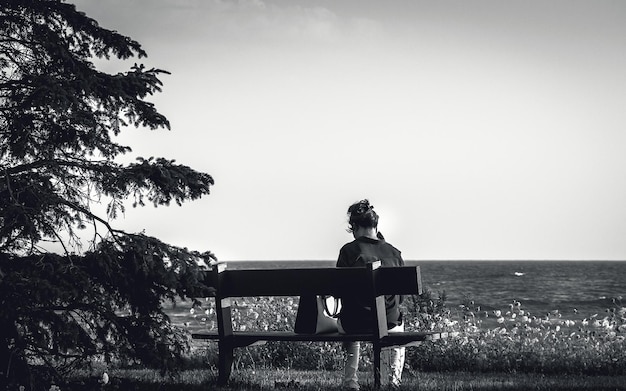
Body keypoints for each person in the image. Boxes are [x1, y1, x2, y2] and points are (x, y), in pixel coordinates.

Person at [336, 199, 406, 390]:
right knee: (396, 324)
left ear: (355, 226)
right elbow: (400, 297)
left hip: (354, 323)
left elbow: (338, 290)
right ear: (376, 225)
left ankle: (351, 382)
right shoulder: (394, 252)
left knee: (349, 325)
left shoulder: (349, 251)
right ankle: (391, 381)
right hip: (389, 323)